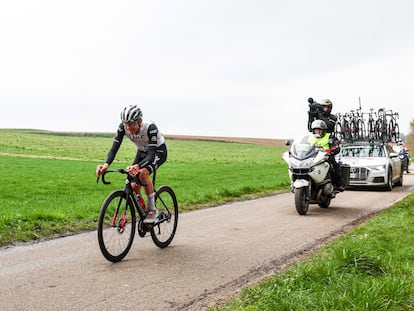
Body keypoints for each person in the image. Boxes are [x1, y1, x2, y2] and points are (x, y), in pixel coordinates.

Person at [96, 105, 167, 223]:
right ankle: (142, 210)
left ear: (140, 121)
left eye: (131, 124)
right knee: (133, 186)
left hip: (157, 151)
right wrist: (105, 165)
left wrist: (138, 166)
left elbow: (151, 153)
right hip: (142, 151)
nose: (128, 128)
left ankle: (152, 211)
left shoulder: (150, 128)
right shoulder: (123, 128)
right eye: (126, 124)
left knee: (143, 174)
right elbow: (114, 149)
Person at [308, 120, 344, 191]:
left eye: (319, 130)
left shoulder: (330, 137)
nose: (317, 132)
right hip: (312, 157)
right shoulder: (310, 137)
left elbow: (336, 145)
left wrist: (333, 150)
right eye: (316, 130)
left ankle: (338, 184)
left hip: (326, 157)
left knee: (334, 167)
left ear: (323, 131)